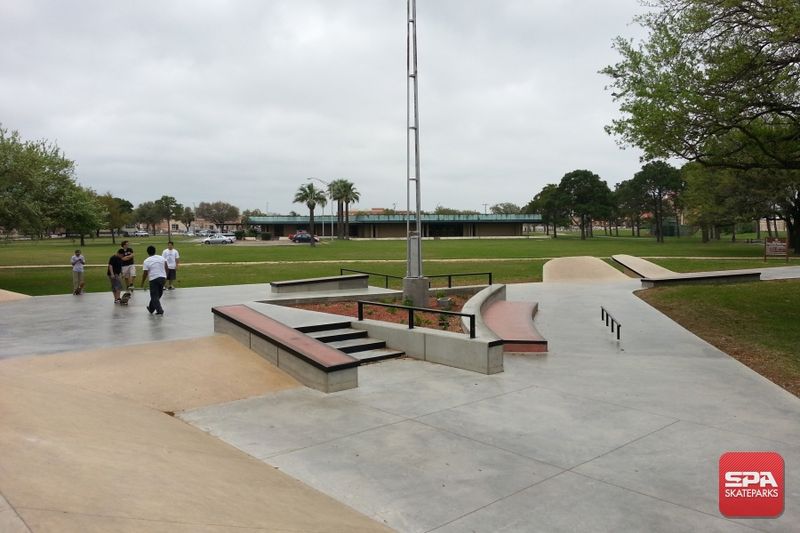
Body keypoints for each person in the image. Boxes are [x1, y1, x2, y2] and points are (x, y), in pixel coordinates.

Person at [141, 245, 167, 315]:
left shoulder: (146, 261)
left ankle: (160, 310)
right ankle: (151, 308)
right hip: (162, 278)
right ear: (155, 251)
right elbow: (166, 266)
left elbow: (145, 273)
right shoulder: (161, 258)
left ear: (147, 252)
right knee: (159, 294)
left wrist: (142, 282)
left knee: (154, 296)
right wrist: (166, 275)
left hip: (153, 279)